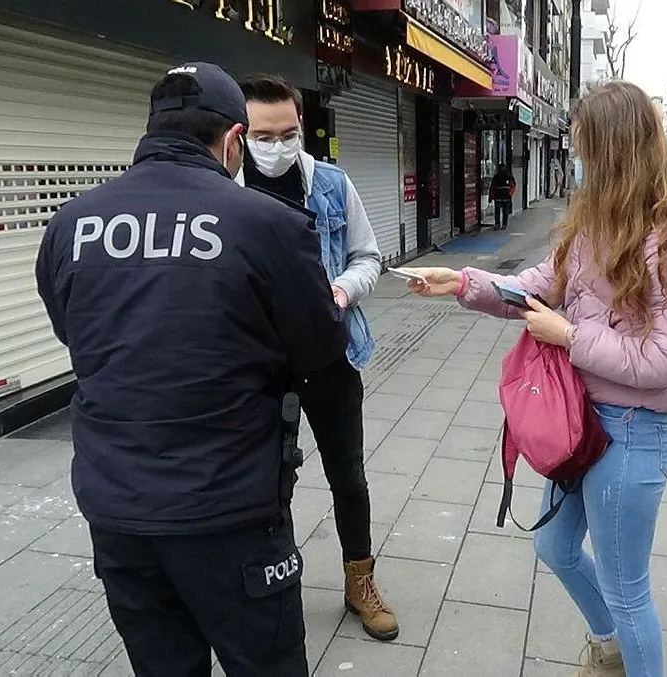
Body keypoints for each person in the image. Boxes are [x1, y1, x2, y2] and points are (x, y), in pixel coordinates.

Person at [35, 62, 348, 677]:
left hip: (119, 514)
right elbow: (319, 349)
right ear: (234, 139)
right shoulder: (268, 225)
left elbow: (74, 334)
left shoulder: (69, 225)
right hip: (230, 512)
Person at [400, 81, 667, 677]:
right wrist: (464, 284)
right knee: (554, 545)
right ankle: (610, 645)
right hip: (580, 424)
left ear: (615, 151)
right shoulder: (595, 224)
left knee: (629, 590)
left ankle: (626, 650)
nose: (578, 163)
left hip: (632, 432)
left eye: (584, 150)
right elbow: (536, 286)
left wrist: (570, 338)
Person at [236, 74, 398, 641]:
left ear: (301, 126)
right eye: (263, 134)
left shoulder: (330, 183)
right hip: (257, 368)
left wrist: (341, 290)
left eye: (288, 133)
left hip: (329, 357)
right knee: (262, 484)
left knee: (347, 476)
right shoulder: (223, 191)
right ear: (240, 133)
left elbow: (369, 256)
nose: (277, 146)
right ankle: (265, 590)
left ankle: (361, 581)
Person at [488, 164, 516, 230]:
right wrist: (510, 193)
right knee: (503, 211)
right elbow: (493, 188)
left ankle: (501, 224)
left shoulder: (507, 177)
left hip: (502, 197)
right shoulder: (498, 177)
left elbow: (513, 186)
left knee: (501, 211)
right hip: (502, 197)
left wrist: (491, 197)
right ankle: (501, 224)